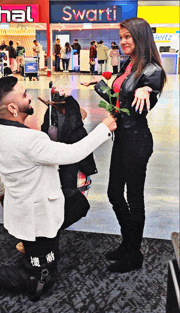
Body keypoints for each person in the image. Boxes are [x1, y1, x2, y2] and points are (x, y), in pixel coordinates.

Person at [0, 76, 116, 299]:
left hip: (21, 213)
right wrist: (104, 128)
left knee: (78, 204)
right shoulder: (32, 139)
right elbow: (73, 154)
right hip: (39, 218)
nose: (30, 96)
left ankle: (34, 249)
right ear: (13, 107)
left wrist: (2, 197)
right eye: (24, 94)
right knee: (40, 282)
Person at [82, 17, 166, 273]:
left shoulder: (152, 70)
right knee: (114, 193)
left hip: (137, 142)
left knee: (134, 198)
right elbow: (120, 101)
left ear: (140, 37)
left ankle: (133, 253)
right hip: (122, 138)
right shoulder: (130, 65)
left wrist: (147, 91)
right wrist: (98, 85)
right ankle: (129, 244)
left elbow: (149, 88)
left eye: (128, 37)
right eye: (121, 37)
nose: (123, 42)